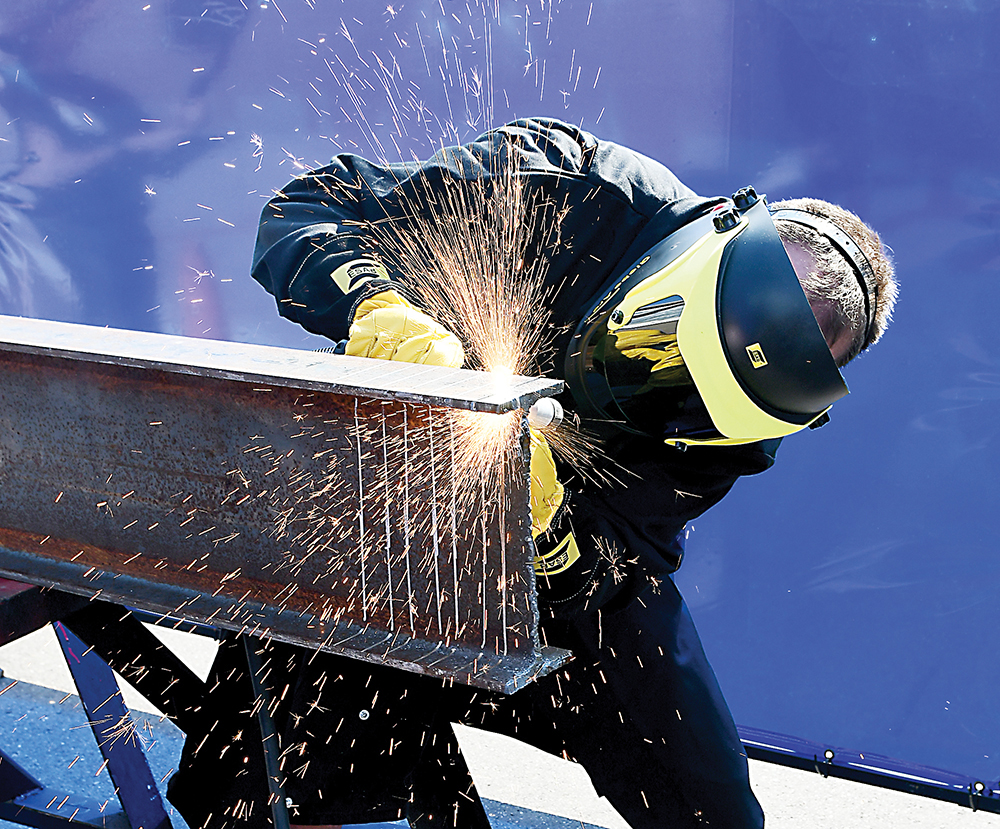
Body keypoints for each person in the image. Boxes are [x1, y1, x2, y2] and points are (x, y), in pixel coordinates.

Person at [168, 117, 897, 829]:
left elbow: (619, 559)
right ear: (717, 245)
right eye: (677, 346)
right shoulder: (565, 184)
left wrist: (552, 530)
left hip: (546, 587)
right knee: (266, 784)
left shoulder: (747, 428)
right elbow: (308, 211)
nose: (675, 381)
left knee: (709, 800)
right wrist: (375, 305)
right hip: (366, 506)